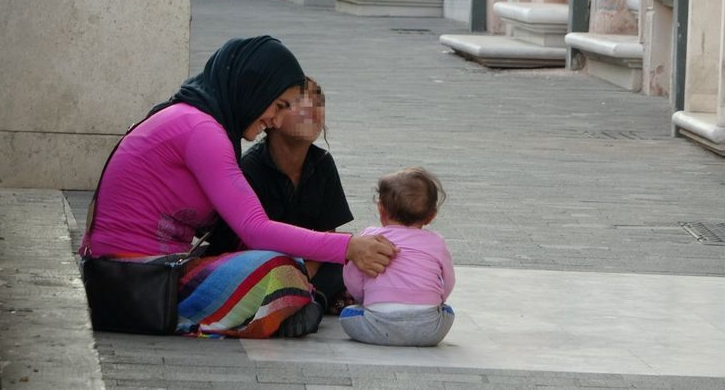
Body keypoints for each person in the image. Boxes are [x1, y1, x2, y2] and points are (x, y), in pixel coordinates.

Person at [80, 36, 396, 338]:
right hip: (134, 276)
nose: (276, 119)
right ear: (252, 88)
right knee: (281, 270)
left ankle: (285, 307)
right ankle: (280, 310)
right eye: (279, 104)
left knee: (284, 263)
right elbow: (254, 229)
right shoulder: (202, 131)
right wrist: (347, 247)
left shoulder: (196, 120)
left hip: (141, 271)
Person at [204, 76, 355, 313]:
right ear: (274, 116)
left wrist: (306, 273)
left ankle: (303, 299)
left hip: (307, 267)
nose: (312, 107)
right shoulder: (250, 168)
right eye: (299, 100)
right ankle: (306, 301)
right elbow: (244, 243)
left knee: (350, 265)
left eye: (318, 101)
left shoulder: (322, 163)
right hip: (257, 265)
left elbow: (329, 235)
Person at [339, 167, 455, 346]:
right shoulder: (437, 242)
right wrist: (436, 301)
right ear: (431, 216)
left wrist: (363, 300)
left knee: (347, 314)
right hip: (429, 330)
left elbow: (352, 277)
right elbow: (448, 281)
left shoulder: (369, 238)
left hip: (377, 326)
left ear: (381, 209)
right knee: (447, 312)